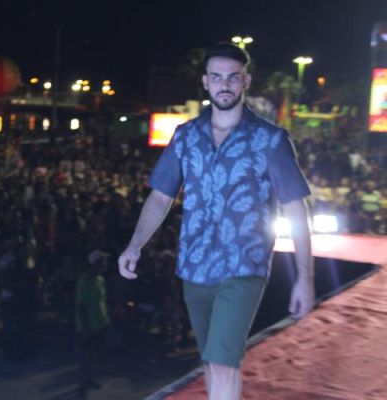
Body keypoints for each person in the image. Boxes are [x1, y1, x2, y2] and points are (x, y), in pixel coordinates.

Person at [118, 43, 315, 400]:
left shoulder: (270, 140)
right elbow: (161, 196)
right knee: (211, 363)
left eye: (233, 77)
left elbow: (296, 208)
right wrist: (135, 245)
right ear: (206, 82)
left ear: (246, 81)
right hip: (193, 267)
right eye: (217, 77)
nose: (225, 85)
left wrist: (305, 277)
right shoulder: (185, 136)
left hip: (244, 267)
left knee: (224, 365)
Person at [76, 250, 110, 395]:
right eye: (102, 261)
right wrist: (85, 328)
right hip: (88, 325)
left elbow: (103, 301)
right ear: (94, 263)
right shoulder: (84, 280)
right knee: (86, 356)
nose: (105, 264)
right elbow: (81, 306)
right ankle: (83, 384)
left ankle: (90, 379)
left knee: (94, 355)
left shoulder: (101, 279)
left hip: (100, 323)